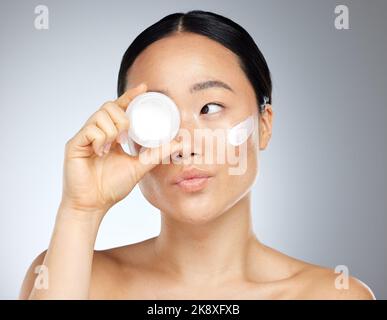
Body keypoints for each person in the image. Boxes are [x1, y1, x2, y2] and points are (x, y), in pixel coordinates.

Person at [20, 10, 374, 299]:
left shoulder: (331, 294)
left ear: (264, 124)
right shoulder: (63, 276)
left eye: (210, 107)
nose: (185, 145)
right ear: (128, 134)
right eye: (157, 115)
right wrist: (81, 210)